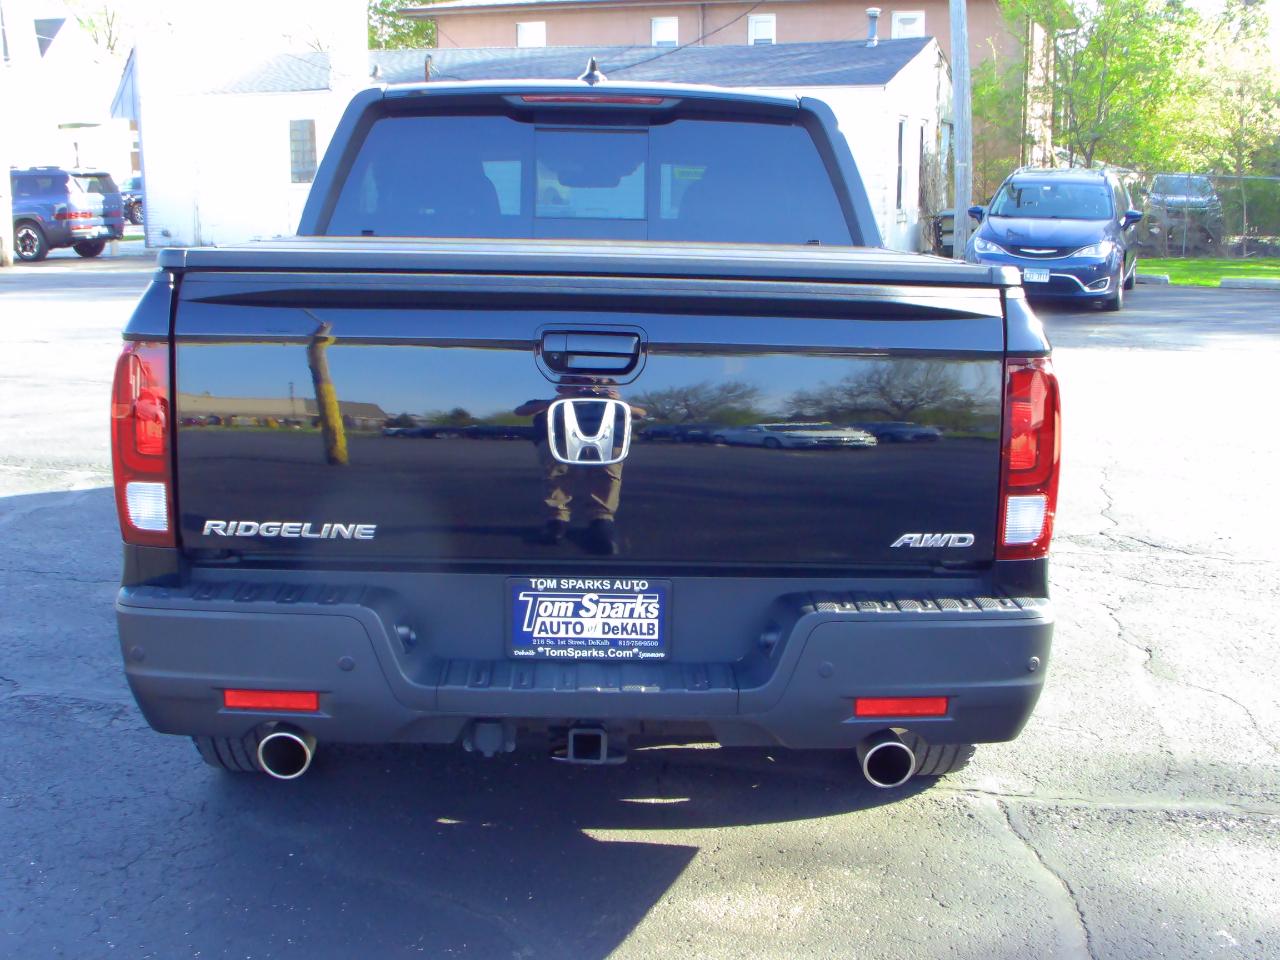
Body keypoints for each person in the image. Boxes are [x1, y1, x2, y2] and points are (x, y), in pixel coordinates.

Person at [515, 378, 645, 556]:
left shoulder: (610, 403)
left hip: (608, 442)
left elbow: (640, 413)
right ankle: (557, 519)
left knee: (608, 476)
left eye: (598, 384)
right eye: (577, 383)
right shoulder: (553, 402)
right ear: (560, 388)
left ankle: (601, 519)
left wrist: (618, 402)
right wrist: (554, 402)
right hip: (560, 441)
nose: (586, 387)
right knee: (556, 475)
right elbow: (521, 411)